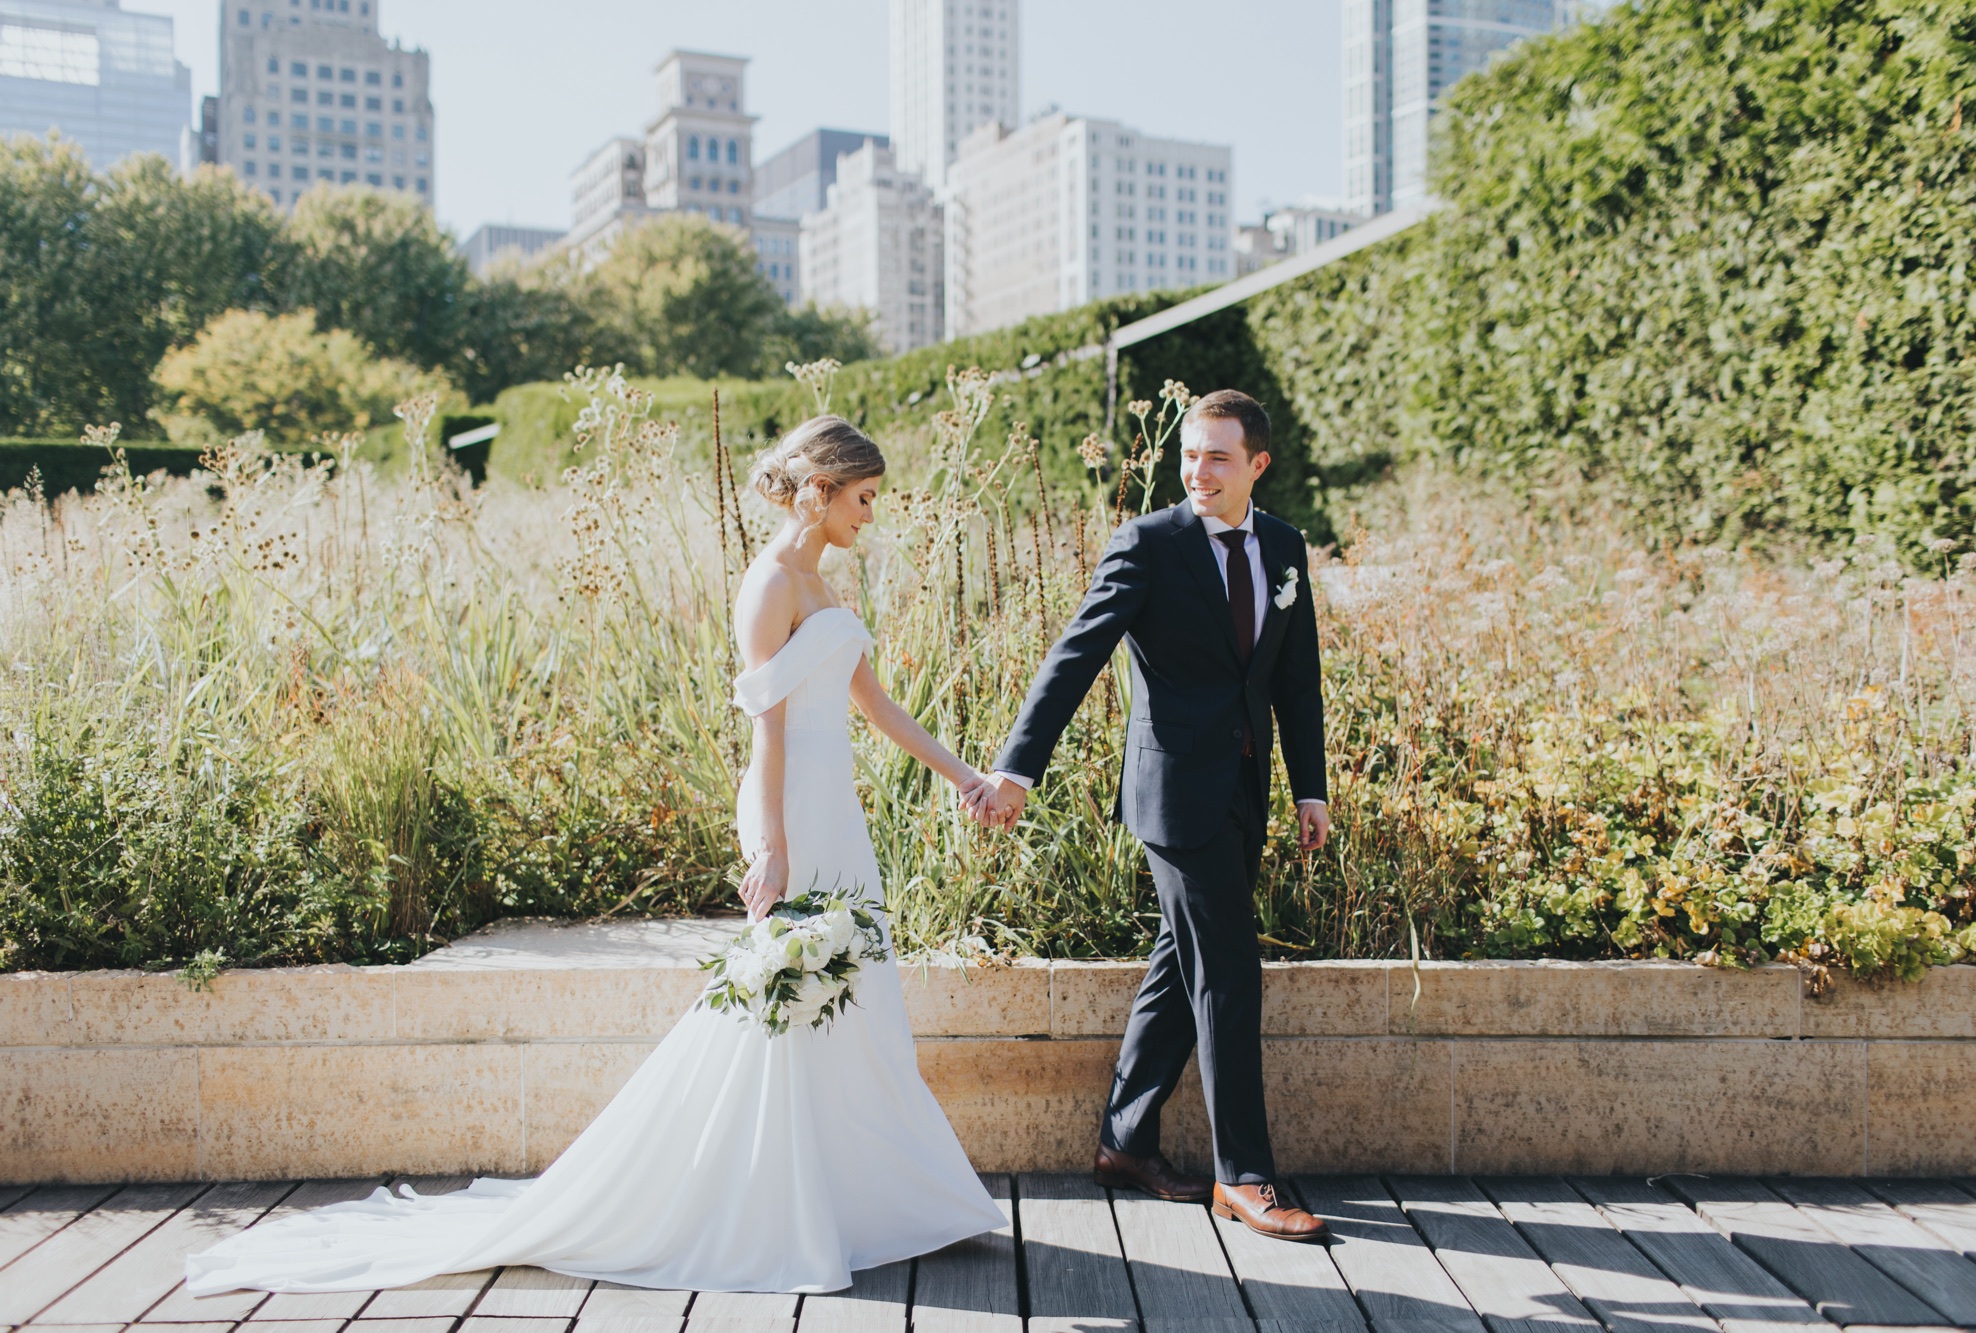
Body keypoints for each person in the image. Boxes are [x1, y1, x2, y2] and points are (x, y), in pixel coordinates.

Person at [185, 416, 1005, 1296]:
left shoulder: (825, 584)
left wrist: (966, 776)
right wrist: (769, 843)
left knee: (856, 998)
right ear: (820, 490)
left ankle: (867, 1202)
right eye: (864, 498)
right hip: (794, 810)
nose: (870, 516)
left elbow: (876, 703)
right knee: (784, 997)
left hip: (836, 814)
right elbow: (765, 730)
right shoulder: (770, 585)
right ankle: (760, 1204)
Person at [967, 389, 1332, 1243]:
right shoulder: (1149, 544)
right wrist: (1017, 768)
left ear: (1257, 466)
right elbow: (1075, 656)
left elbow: (1295, 676)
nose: (1196, 472)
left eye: (1217, 457)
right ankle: (1244, 1176)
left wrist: (1310, 785)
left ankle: (1125, 1142)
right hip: (1174, 797)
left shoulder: (1282, 546)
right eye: (1189, 454)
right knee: (1230, 971)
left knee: (1183, 960)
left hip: (1246, 793)